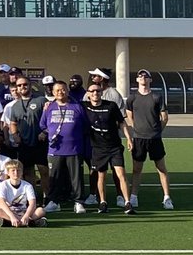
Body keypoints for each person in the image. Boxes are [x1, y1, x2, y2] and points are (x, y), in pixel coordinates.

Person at [125, 69, 174, 210]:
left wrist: (157, 131)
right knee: (136, 169)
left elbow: (164, 118)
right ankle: (133, 197)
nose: (143, 78)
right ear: (137, 80)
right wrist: (137, 129)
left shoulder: (157, 97)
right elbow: (129, 116)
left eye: (146, 76)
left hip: (155, 139)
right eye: (140, 76)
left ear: (150, 80)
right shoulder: (132, 98)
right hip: (139, 139)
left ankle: (167, 198)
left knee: (161, 168)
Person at [82, 82, 134, 214]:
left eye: (98, 91)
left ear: (101, 93)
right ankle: (103, 202)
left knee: (121, 174)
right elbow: (66, 103)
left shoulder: (111, 105)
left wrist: (128, 138)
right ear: (88, 93)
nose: (95, 93)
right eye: (92, 91)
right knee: (101, 176)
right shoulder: (83, 106)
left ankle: (127, 203)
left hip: (114, 146)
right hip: (98, 148)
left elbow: (122, 122)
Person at [39, 81, 90, 214]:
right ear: (53, 92)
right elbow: (43, 125)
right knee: (54, 177)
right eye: (57, 90)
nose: (60, 92)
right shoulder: (49, 107)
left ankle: (78, 202)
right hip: (55, 150)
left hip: (74, 149)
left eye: (62, 90)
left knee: (76, 178)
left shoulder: (77, 107)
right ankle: (53, 202)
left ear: (67, 91)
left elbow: (85, 126)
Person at [4, 75, 50, 201]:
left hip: (40, 142)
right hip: (24, 143)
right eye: (19, 85)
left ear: (30, 86)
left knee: (43, 170)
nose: (22, 87)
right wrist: (14, 135)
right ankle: (33, 197)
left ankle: (48, 197)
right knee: (28, 172)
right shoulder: (15, 106)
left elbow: (50, 119)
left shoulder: (41, 100)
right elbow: (12, 123)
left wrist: (45, 132)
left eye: (25, 84)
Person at [0, 160, 48, 227]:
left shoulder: (27, 185)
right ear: (8, 173)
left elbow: (32, 203)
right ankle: (29, 222)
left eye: (18, 170)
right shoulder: (3, 185)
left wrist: (26, 216)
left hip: (23, 212)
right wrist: (12, 216)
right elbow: (2, 202)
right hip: (9, 213)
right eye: (13, 170)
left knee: (41, 210)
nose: (16, 173)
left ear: (22, 172)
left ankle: (12, 223)